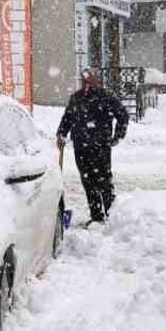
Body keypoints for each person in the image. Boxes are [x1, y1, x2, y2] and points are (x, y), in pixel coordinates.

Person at [56, 69, 129, 225]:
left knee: (104, 181)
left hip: (101, 147)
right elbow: (68, 118)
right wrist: (61, 134)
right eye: (84, 81)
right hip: (81, 147)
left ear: (97, 81)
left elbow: (123, 115)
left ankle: (111, 214)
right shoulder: (76, 98)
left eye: (89, 81)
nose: (86, 84)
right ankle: (96, 216)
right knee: (88, 181)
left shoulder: (107, 97)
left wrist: (118, 136)